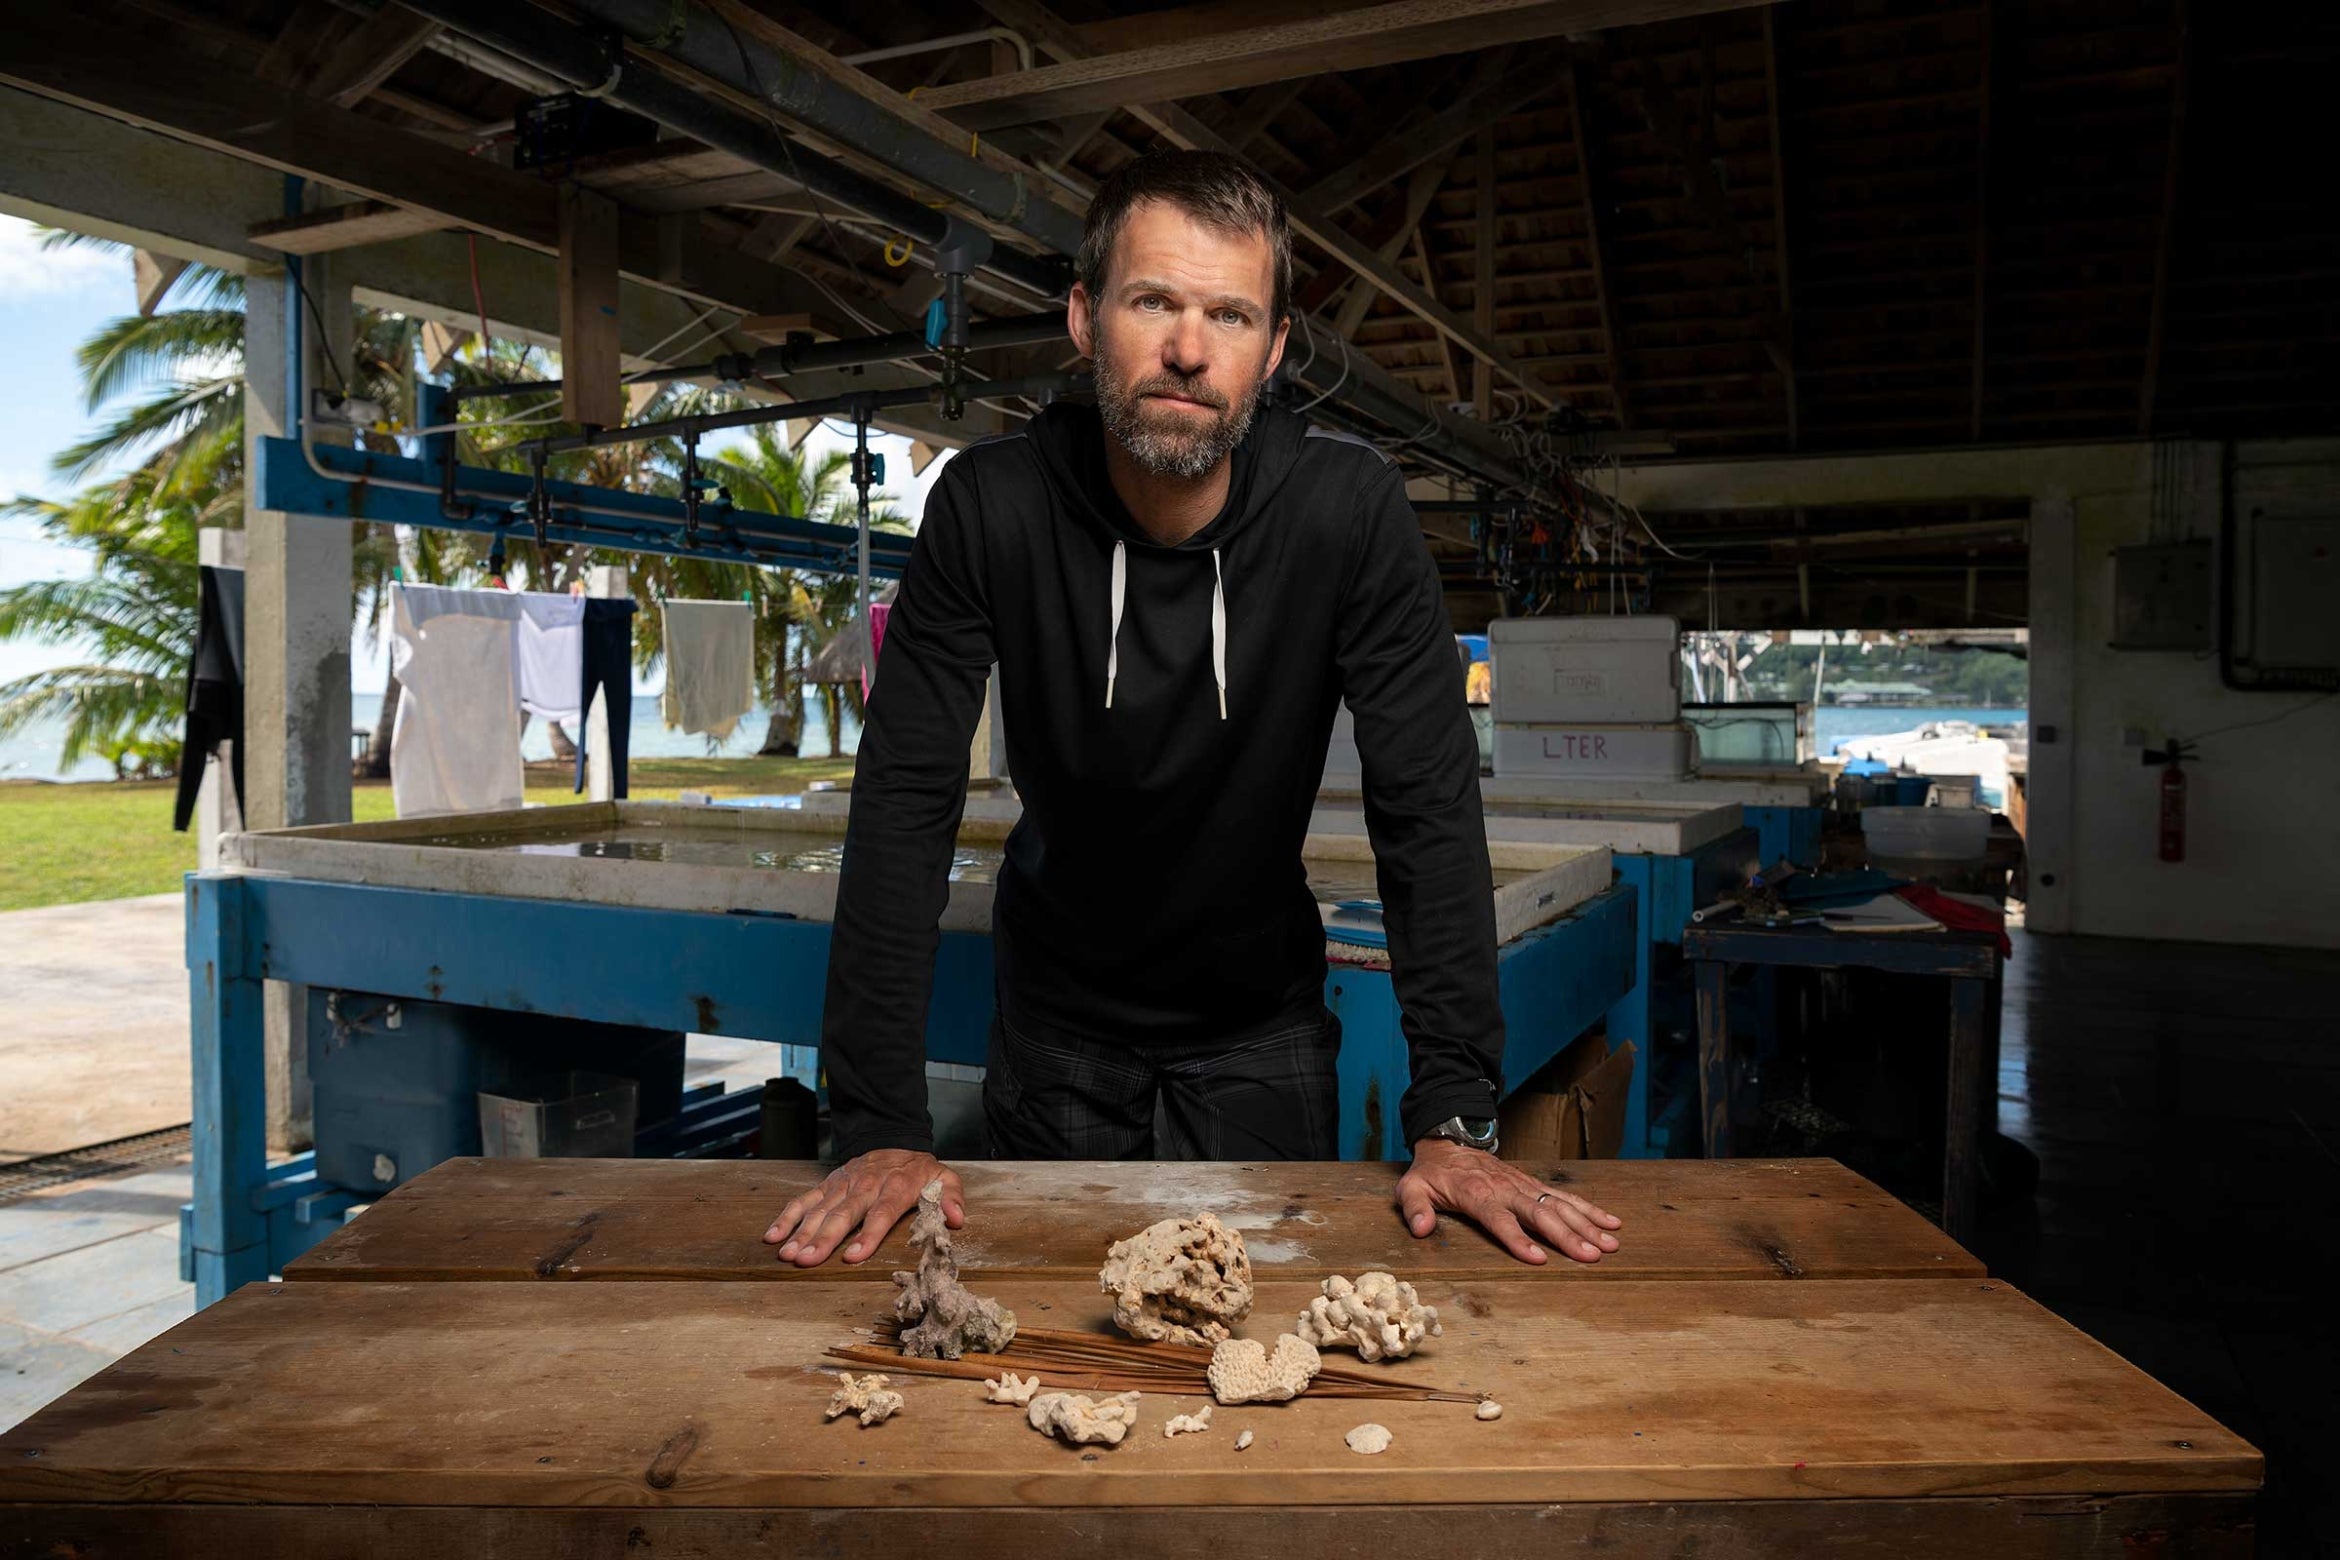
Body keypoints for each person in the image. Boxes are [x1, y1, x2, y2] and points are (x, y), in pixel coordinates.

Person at [764, 150, 1621, 1272]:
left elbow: (1428, 812)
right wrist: (877, 1123)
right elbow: (904, 804)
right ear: (1084, 316)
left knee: (1265, 1374)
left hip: (1259, 1030)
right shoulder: (990, 507)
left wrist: (1455, 1120)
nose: (1187, 346)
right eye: (1153, 301)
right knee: (1042, 1350)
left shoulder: (1347, 514)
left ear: (1270, 351)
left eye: (1228, 313)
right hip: (1054, 1033)